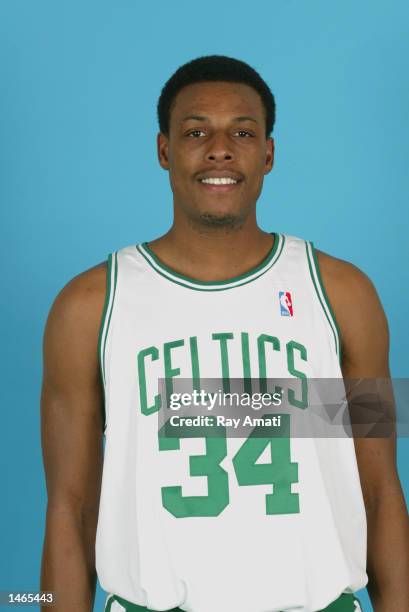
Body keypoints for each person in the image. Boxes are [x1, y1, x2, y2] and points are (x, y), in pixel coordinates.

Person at [40, 55, 409, 612]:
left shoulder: (342, 295)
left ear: (268, 153)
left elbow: (381, 493)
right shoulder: (89, 306)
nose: (220, 148)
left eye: (242, 131)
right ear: (164, 150)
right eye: (196, 132)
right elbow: (69, 509)